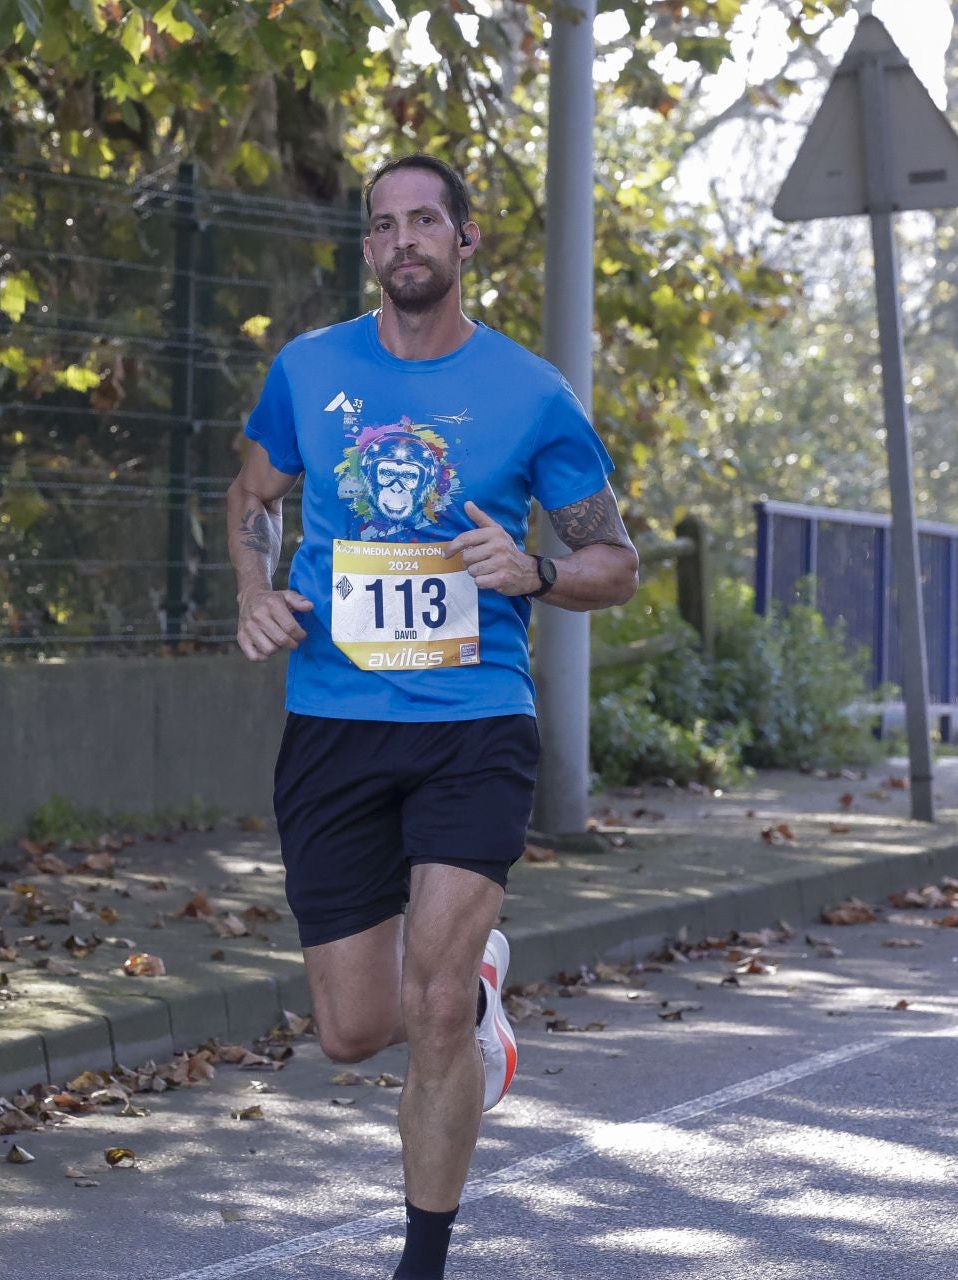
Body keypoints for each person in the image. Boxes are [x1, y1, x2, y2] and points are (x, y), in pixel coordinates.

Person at [226, 153, 638, 1280]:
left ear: (465, 242)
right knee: (355, 1027)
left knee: (434, 1002)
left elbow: (616, 559)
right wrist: (258, 593)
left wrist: (537, 571)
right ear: (368, 249)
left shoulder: (530, 393)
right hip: (335, 722)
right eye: (383, 225)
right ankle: (474, 982)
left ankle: (423, 1257)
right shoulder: (309, 372)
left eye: (425, 221)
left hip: (473, 721)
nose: (404, 239)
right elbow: (252, 497)